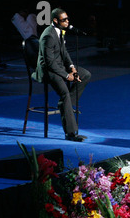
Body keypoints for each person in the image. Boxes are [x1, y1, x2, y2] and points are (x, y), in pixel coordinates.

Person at [33, 8, 91, 142]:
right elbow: (49, 62)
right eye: (64, 20)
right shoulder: (48, 35)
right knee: (64, 93)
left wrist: (72, 68)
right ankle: (70, 133)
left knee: (85, 74)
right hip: (49, 70)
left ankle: (65, 105)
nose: (67, 22)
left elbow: (64, 53)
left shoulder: (60, 32)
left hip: (60, 66)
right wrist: (66, 76)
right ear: (55, 20)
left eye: (67, 19)